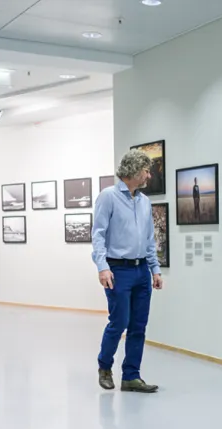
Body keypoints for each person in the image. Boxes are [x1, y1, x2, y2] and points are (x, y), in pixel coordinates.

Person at [91, 149, 163, 393]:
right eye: (146, 171)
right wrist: (102, 267)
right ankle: (104, 367)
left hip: (141, 270)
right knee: (119, 321)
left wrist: (155, 269)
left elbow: (149, 240)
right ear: (133, 170)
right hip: (117, 270)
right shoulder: (108, 197)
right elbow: (98, 235)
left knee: (138, 326)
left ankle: (131, 376)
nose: (149, 176)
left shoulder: (144, 202)